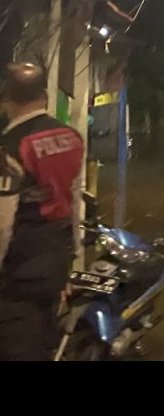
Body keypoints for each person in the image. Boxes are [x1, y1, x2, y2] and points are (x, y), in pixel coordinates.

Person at [0, 63, 84, 361]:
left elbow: (2, 225)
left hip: (18, 276)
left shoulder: (9, 148)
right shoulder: (71, 138)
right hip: (55, 265)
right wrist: (71, 261)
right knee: (43, 342)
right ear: (45, 95)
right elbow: (73, 204)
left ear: (6, 98)